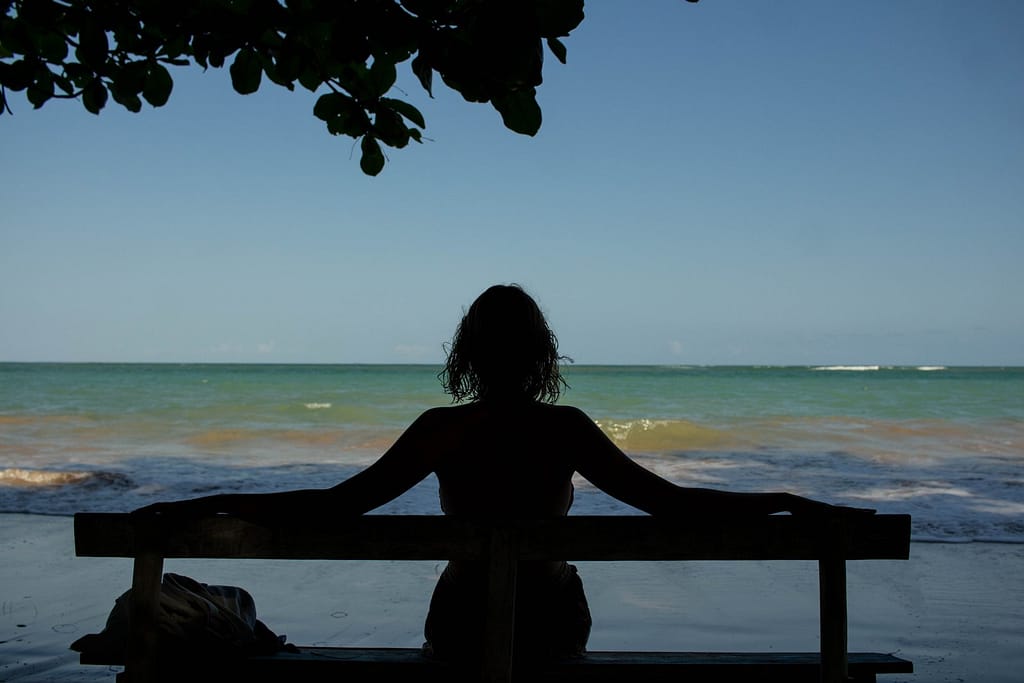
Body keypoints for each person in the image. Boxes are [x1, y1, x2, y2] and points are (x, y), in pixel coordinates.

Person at [134, 283, 871, 663]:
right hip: (550, 621)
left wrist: (210, 496)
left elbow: (334, 506)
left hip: (462, 618)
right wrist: (781, 498)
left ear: (468, 355)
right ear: (541, 354)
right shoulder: (567, 430)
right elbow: (673, 506)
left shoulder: (441, 430)